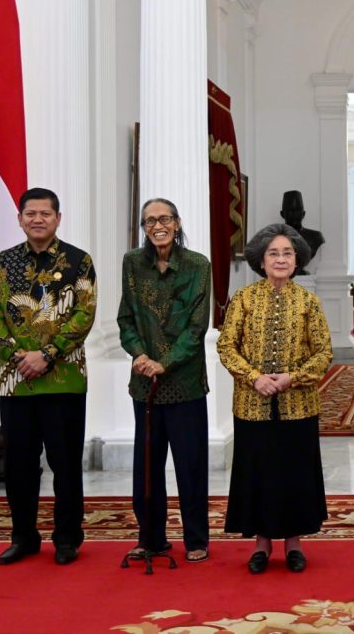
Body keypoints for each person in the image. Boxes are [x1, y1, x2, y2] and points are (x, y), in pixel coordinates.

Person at [0, 187, 96, 566]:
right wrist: (20, 357)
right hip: (16, 382)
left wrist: (47, 354)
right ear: (19, 219)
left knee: (66, 463)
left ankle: (67, 538)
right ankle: (23, 537)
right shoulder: (3, 262)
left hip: (65, 379)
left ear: (58, 218)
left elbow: (84, 314)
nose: (37, 219)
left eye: (45, 213)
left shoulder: (79, 261)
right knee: (18, 465)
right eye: (30, 213)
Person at [217, 223, 333, 574]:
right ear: (261, 261)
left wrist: (291, 378)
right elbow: (226, 346)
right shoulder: (243, 299)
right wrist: (254, 377)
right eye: (273, 253)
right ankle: (262, 545)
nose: (280, 259)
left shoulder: (308, 301)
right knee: (259, 474)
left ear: (296, 260)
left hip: (298, 406)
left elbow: (323, 353)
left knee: (294, 474)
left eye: (287, 253)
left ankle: (294, 544)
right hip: (251, 405)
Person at [117, 198, 212, 564]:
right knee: (146, 467)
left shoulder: (197, 265)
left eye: (164, 219)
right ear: (143, 228)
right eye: (150, 221)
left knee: (190, 466)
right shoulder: (132, 263)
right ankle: (151, 538)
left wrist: (165, 363)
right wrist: (139, 355)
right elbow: (126, 318)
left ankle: (196, 540)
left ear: (177, 222)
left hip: (185, 383)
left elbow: (196, 327)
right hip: (145, 385)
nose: (158, 226)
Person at [280, 190, 325, 274]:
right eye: (290, 210)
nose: (294, 214)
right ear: (282, 214)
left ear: (303, 214)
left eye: (297, 210)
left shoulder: (315, 237)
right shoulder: (273, 238)